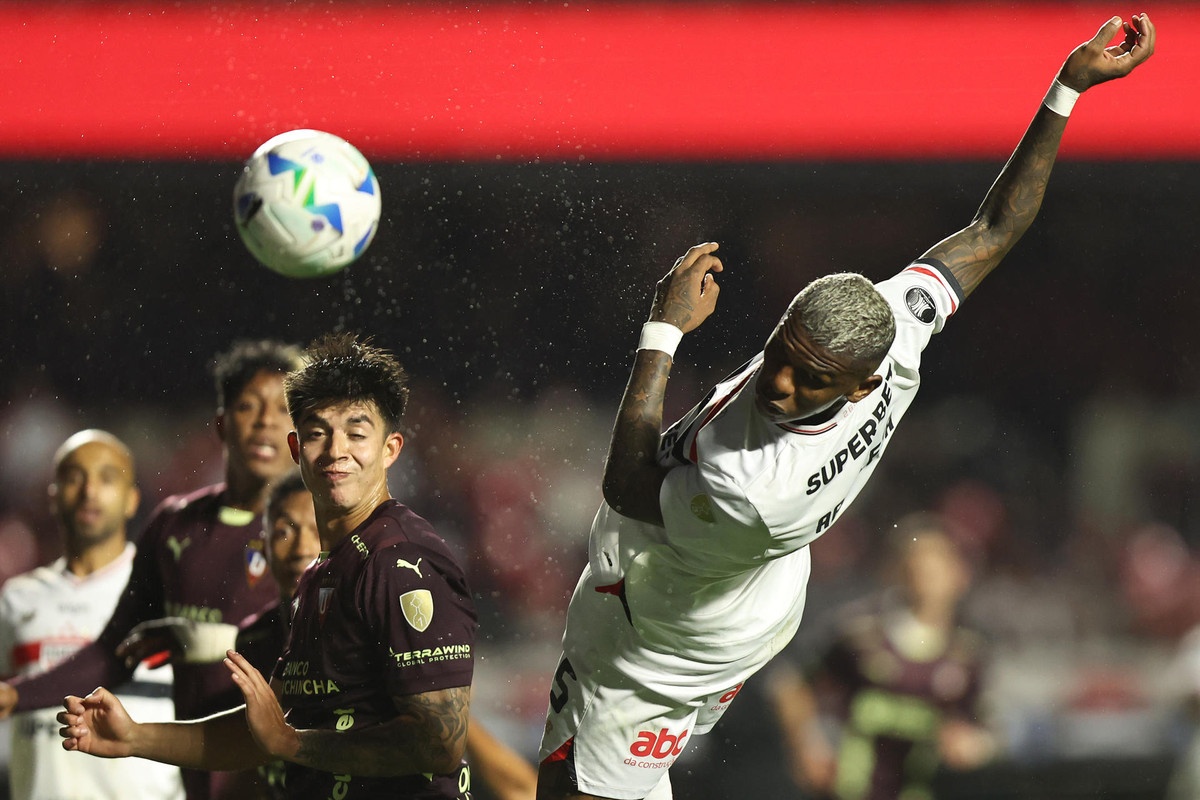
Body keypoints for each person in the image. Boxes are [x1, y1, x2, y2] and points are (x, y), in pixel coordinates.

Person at [535, 15, 1155, 800]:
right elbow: (995, 227)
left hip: (660, 642)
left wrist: (662, 332)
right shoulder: (895, 329)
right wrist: (1069, 87)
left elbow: (625, 485)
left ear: (860, 388)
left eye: (810, 380)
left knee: (567, 787)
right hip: (753, 600)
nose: (780, 383)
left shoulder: (753, 485)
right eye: (782, 353)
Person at [59, 332, 479, 800]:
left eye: (357, 434)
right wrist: (135, 736)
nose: (337, 450)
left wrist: (292, 743)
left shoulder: (399, 560)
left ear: (390, 449)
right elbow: (263, 735)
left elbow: (438, 741)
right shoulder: (321, 574)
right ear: (296, 450)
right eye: (319, 433)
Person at [0, 339, 303, 800]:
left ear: (299, 432)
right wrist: (18, 696)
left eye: (282, 409)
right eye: (248, 406)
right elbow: (114, 651)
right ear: (222, 425)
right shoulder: (174, 525)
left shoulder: (315, 529)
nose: (265, 421)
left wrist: (214, 641)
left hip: (284, 774)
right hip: (194, 775)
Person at [156, 471, 535, 800]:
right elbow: (251, 755)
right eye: (285, 530)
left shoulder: (377, 631)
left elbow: (475, 757)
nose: (301, 546)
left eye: (314, 529)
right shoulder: (258, 640)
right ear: (263, 546)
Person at [0, 430, 184, 800]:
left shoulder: (165, 590)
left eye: (106, 477)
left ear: (133, 500)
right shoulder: (16, 600)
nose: (89, 491)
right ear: (52, 496)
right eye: (74, 477)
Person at [766, 513, 993, 800]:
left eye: (936, 566)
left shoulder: (967, 653)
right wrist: (807, 746)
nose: (926, 575)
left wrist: (970, 745)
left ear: (959, 575)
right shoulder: (859, 632)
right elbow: (789, 681)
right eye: (917, 564)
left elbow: (984, 729)